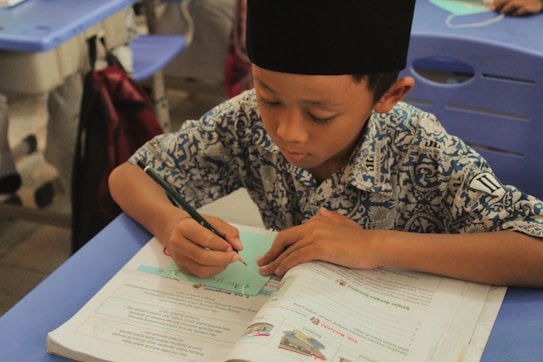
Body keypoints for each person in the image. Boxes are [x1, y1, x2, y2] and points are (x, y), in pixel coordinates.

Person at [109, 0, 543, 288]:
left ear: (389, 96)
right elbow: (128, 176)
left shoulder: (421, 150)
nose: (289, 132)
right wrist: (170, 224)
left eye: (320, 115)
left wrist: (376, 245)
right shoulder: (245, 121)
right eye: (270, 98)